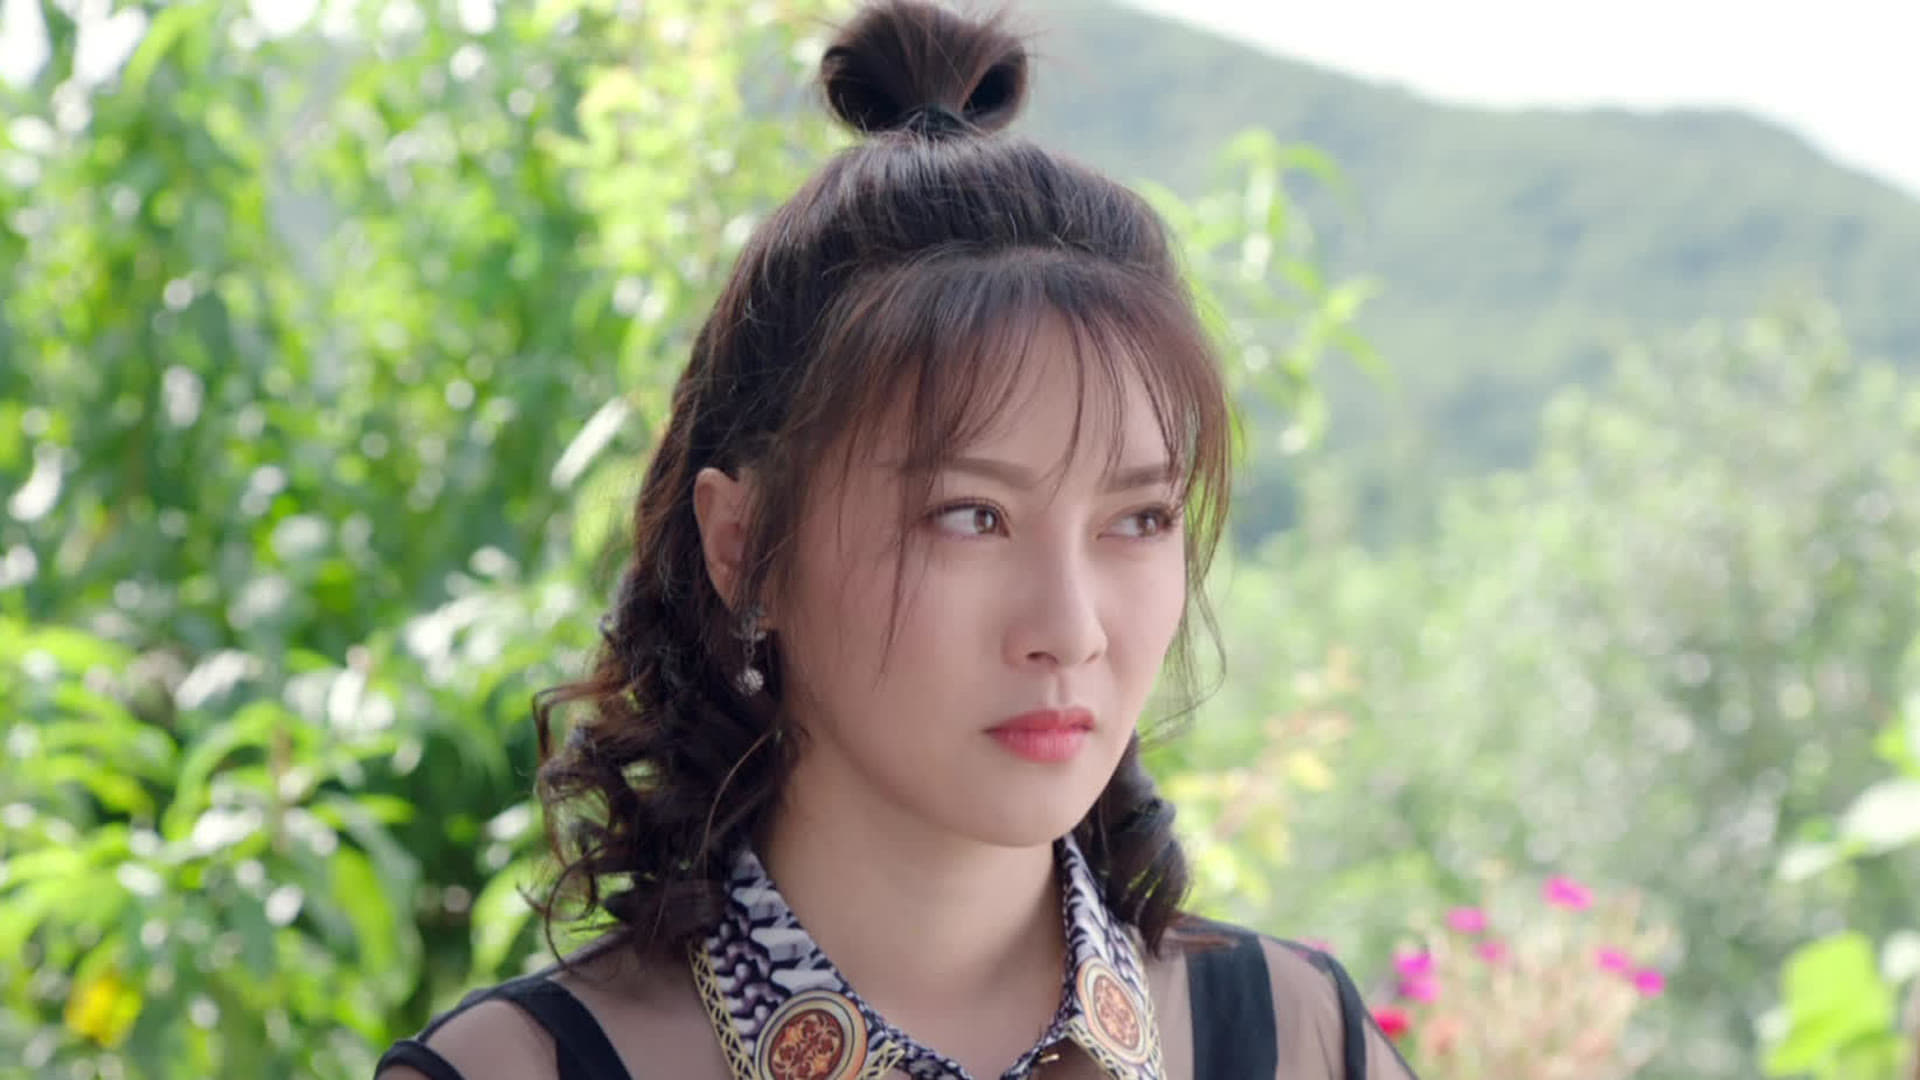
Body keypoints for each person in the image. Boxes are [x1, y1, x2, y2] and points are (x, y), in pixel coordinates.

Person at [375, 1, 1418, 1077]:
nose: (1070, 630)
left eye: (1138, 519)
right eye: (971, 516)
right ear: (742, 549)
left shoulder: (1297, 1039)